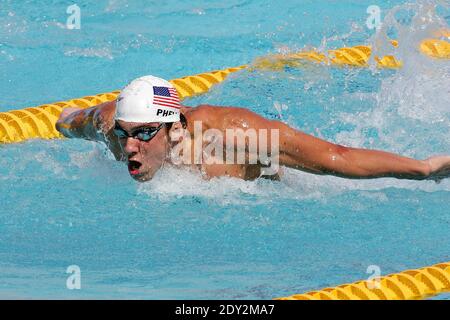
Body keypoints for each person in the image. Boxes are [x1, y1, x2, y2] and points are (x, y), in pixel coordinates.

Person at [56, 75, 450, 182]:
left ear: (174, 128)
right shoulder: (110, 126)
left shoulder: (233, 137)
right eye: (126, 134)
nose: (129, 148)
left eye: (143, 134)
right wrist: (64, 121)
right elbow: (71, 120)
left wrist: (423, 168)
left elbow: (336, 158)